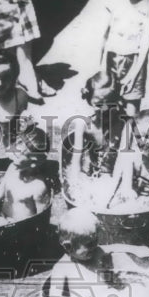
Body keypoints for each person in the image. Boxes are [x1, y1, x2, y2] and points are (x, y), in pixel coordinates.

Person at [99, 0, 149, 117]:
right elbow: (105, 35)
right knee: (108, 104)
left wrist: (133, 74)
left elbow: (146, 43)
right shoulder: (116, 1)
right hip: (111, 58)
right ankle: (111, 137)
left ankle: (129, 136)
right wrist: (101, 66)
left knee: (131, 105)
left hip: (133, 61)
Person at [62, 71, 128, 207]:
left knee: (114, 202)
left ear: (116, 100)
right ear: (89, 100)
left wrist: (110, 195)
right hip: (91, 175)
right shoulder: (85, 125)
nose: (103, 109)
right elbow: (76, 162)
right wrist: (76, 187)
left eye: (109, 104)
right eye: (98, 104)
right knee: (81, 198)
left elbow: (123, 165)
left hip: (116, 177)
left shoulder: (123, 125)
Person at [0, 123, 52, 222]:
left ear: (34, 161)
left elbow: (41, 217)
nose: (12, 155)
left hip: (21, 227)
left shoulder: (38, 186)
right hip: (3, 218)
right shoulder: (13, 168)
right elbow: (0, 190)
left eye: (19, 155)